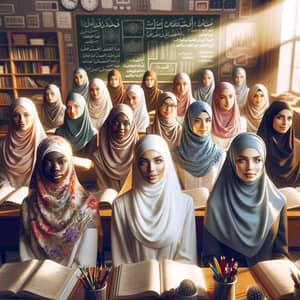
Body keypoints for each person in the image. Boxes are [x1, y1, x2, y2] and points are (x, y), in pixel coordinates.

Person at [202, 132, 288, 267]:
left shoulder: (278, 202)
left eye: (257, 160)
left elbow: (281, 254)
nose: (250, 167)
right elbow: (210, 259)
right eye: (242, 160)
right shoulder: (215, 204)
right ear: (231, 161)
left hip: (268, 281)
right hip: (230, 282)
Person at [111, 134, 197, 267]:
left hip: (175, 283)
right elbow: (121, 260)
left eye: (158, 161)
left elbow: (188, 258)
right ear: (136, 165)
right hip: (134, 285)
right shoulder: (120, 206)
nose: (151, 168)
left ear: (167, 162)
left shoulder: (185, 204)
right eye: (143, 162)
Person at [20, 135, 101, 267]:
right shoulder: (28, 206)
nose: (55, 168)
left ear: (70, 163)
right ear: (40, 164)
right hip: (37, 278)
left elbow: (86, 261)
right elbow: (26, 256)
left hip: (75, 278)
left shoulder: (87, 205)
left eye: (62, 161)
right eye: (48, 162)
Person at [173, 101, 225, 192]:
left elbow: (222, 190)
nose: (203, 126)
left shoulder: (220, 155)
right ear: (189, 122)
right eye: (197, 120)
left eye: (207, 120)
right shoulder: (176, 156)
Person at [0, 97, 46, 191]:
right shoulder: (3, 145)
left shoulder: (44, 145)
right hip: (9, 198)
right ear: (11, 118)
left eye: (26, 115)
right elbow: (2, 175)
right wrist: (6, 190)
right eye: (16, 115)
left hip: (36, 195)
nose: (22, 120)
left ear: (34, 116)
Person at [91, 103, 138, 195]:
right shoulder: (98, 157)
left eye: (126, 123)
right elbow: (102, 190)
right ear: (109, 125)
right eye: (116, 123)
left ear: (132, 126)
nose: (121, 128)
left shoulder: (139, 155)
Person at [257, 100, 300, 188]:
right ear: (270, 118)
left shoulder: (298, 146)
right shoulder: (258, 145)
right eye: (280, 117)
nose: (285, 123)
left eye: (289, 118)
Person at [211, 82, 247, 151]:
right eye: (222, 97)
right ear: (216, 99)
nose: (228, 101)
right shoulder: (207, 122)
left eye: (230, 96)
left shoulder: (242, 122)